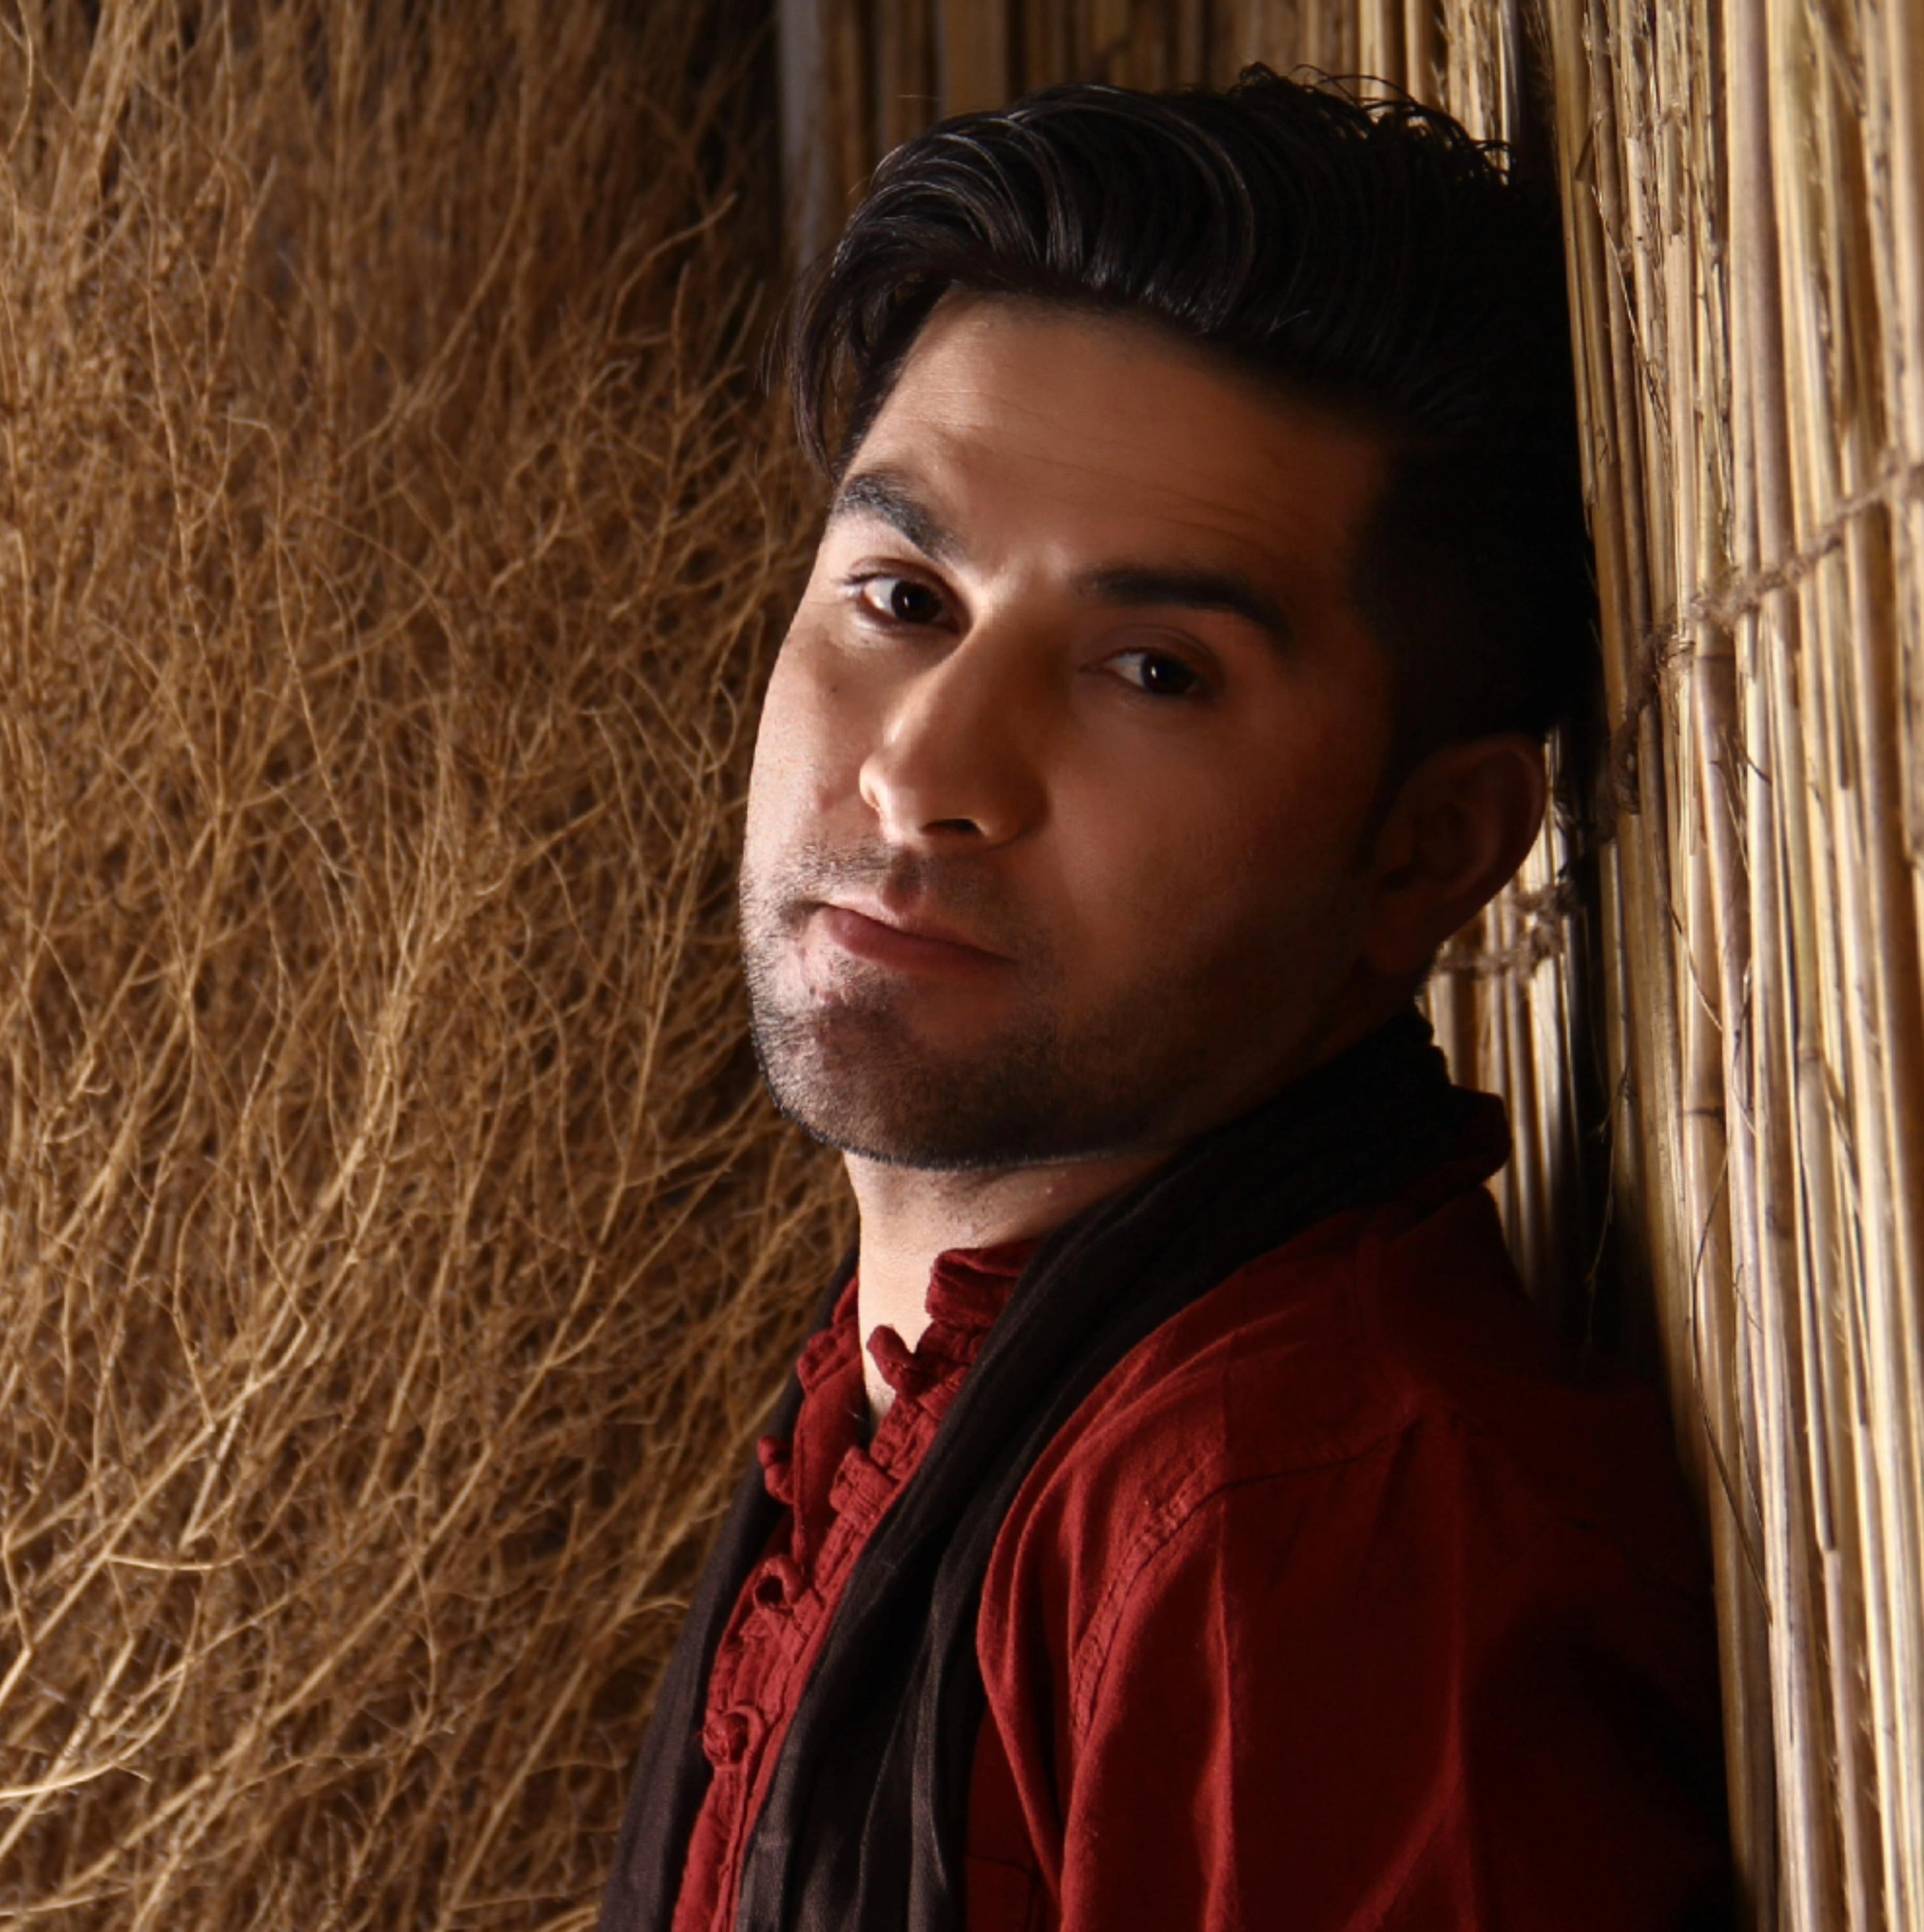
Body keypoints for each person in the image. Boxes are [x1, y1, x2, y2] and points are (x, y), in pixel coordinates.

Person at [598, 67, 1730, 1932]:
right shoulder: (889, 1410)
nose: (924, 771)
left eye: (1150, 670)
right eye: (904, 597)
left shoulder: (1299, 1537)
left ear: (1425, 851)